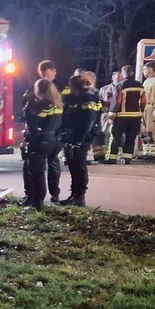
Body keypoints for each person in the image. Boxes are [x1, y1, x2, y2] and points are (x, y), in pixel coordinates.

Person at [21, 61, 64, 201]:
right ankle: (52, 194)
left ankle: (36, 198)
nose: (45, 77)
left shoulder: (44, 97)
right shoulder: (57, 94)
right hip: (55, 135)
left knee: (35, 170)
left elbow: (33, 121)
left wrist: (29, 109)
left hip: (42, 137)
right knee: (52, 164)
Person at [60, 75, 101, 206]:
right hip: (71, 135)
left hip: (82, 137)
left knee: (79, 165)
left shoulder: (89, 97)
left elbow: (89, 120)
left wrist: (79, 139)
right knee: (73, 165)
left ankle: (80, 196)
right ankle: (74, 194)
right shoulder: (72, 97)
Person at [106, 65, 145, 164]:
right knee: (131, 137)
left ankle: (112, 158)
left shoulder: (120, 85)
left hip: (121, 116)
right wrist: (141, 111)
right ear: (132, 72)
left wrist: (111, 115)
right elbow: (144, 100)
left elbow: (117, 102)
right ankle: (127, 158)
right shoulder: (140, 85)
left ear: (123, 73)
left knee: (116, 136)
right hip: (136, 116)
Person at [96, 71, 122, 161]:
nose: (119, 79)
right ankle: (105, 153)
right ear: (112, 77)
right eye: (118, 77)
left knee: (116, 134)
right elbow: (99, 101)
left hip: (118, 115)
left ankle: (116, 153)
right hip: (106, 114)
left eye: (121, 77)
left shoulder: (122, 88)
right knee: (104, 134)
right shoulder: (104, 89)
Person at [141, 62, 155, 160]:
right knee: (145, 131)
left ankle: (154, 153)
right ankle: (146, 151)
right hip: (145, 109)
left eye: (144, 69)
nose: (143, 71)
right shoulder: (146, 81)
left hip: (153, 109)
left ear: (150, 69)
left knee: (153, 130)